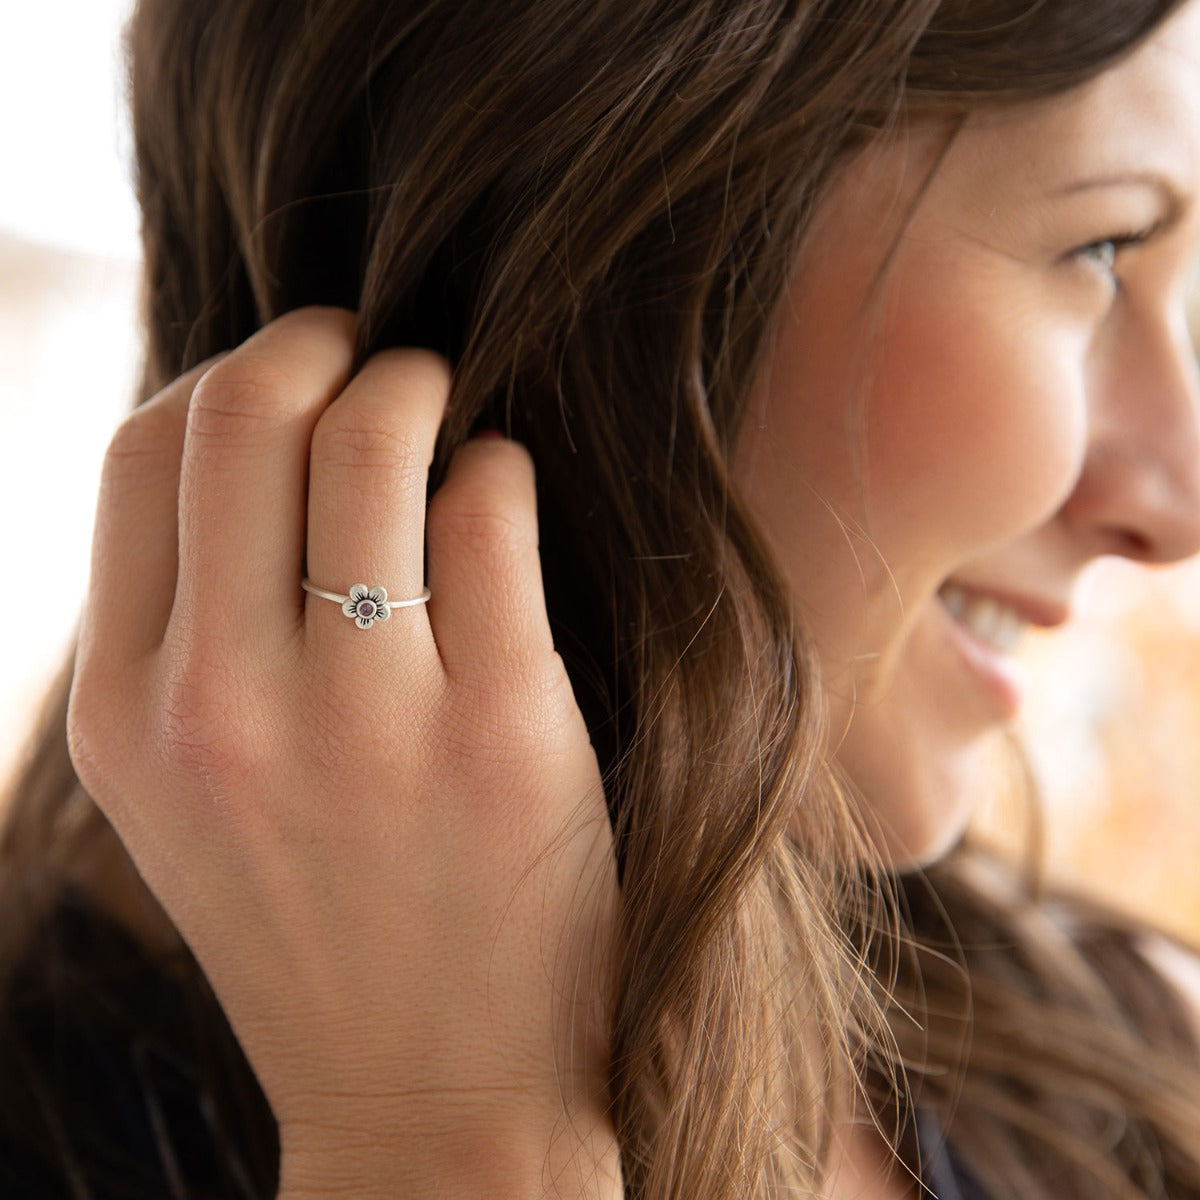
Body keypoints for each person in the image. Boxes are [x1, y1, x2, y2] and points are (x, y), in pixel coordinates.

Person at [3, 0, 1200, 1195]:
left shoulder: (1130, 1067)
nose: (1181, 503)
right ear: (623, 231)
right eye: (1101, 251)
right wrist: (455, 1142)